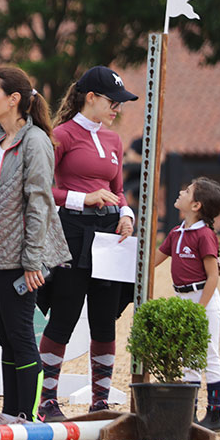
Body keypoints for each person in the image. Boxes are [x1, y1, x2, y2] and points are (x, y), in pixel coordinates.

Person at [36, 66, 138, 421]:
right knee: (63, 316)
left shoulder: (113, 140)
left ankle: (100, 400)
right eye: (113, 101)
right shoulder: (60, 135)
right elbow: (42, 188)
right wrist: (84, 198)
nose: (117, 109)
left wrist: (126, 214)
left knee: (104, 319)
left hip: (110, 236)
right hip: (71, 233)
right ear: (90, 98)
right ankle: (47, 400)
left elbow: (120, 191)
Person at [0, 66, 70, 424]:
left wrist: (33, 261)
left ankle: (26, 414)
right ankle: (10, 412)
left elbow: (40, 203)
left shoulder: (35, 142)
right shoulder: (1, 140)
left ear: (13, 99)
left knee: (20, 334)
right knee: (6, 336)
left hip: (19, 258)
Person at [154, 177, 220, 432]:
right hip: (183, 299)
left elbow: (213, 275)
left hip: (202, 301)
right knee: (189, 358)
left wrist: (200, 308)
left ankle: (214, 415)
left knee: (209, 355)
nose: (180, 192)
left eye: (186, 191)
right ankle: (190, 413)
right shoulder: (176, 233)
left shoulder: (205, 235)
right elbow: (153, 261)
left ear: (196, 205)